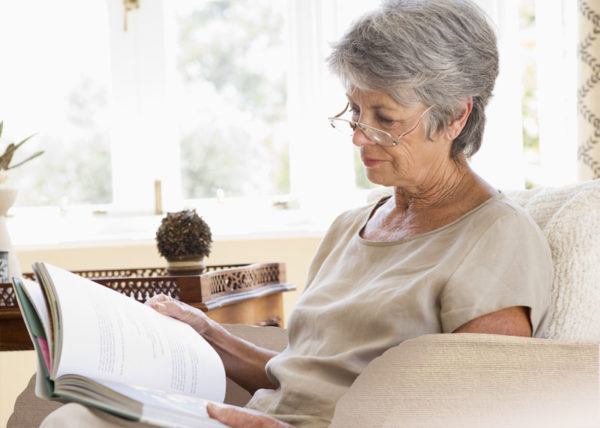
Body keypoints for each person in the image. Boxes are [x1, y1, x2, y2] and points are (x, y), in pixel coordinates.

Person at [41, 0, 552, 427]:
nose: (357, 135)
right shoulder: (350, 227)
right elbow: (303, 375)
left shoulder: (498, 237)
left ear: (457, 115)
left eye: (384, 118)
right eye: (354, 112)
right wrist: (207, 334)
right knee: (76, 415)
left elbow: (480, 411)